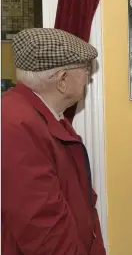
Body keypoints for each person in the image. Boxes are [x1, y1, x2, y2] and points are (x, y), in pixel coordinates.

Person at [2, 28, 106, 254]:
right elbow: (43, 228)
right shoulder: (15, 126)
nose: (88, 76)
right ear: (62, 79)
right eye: (85, 69)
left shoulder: (45, 119)